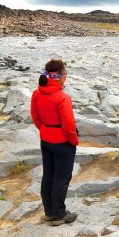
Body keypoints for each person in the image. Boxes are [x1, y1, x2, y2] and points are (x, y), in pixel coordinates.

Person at [30, 59, 79, 226]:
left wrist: (45, 130)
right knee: (62, 177)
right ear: (61, 76)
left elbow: (36, 118)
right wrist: (73, 141)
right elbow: (69, 125)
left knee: (48, 176)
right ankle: (59, 214)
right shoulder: (62, 97)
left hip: (46, 140)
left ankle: (49, 212)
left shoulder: (37, 93)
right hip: (62, 142)